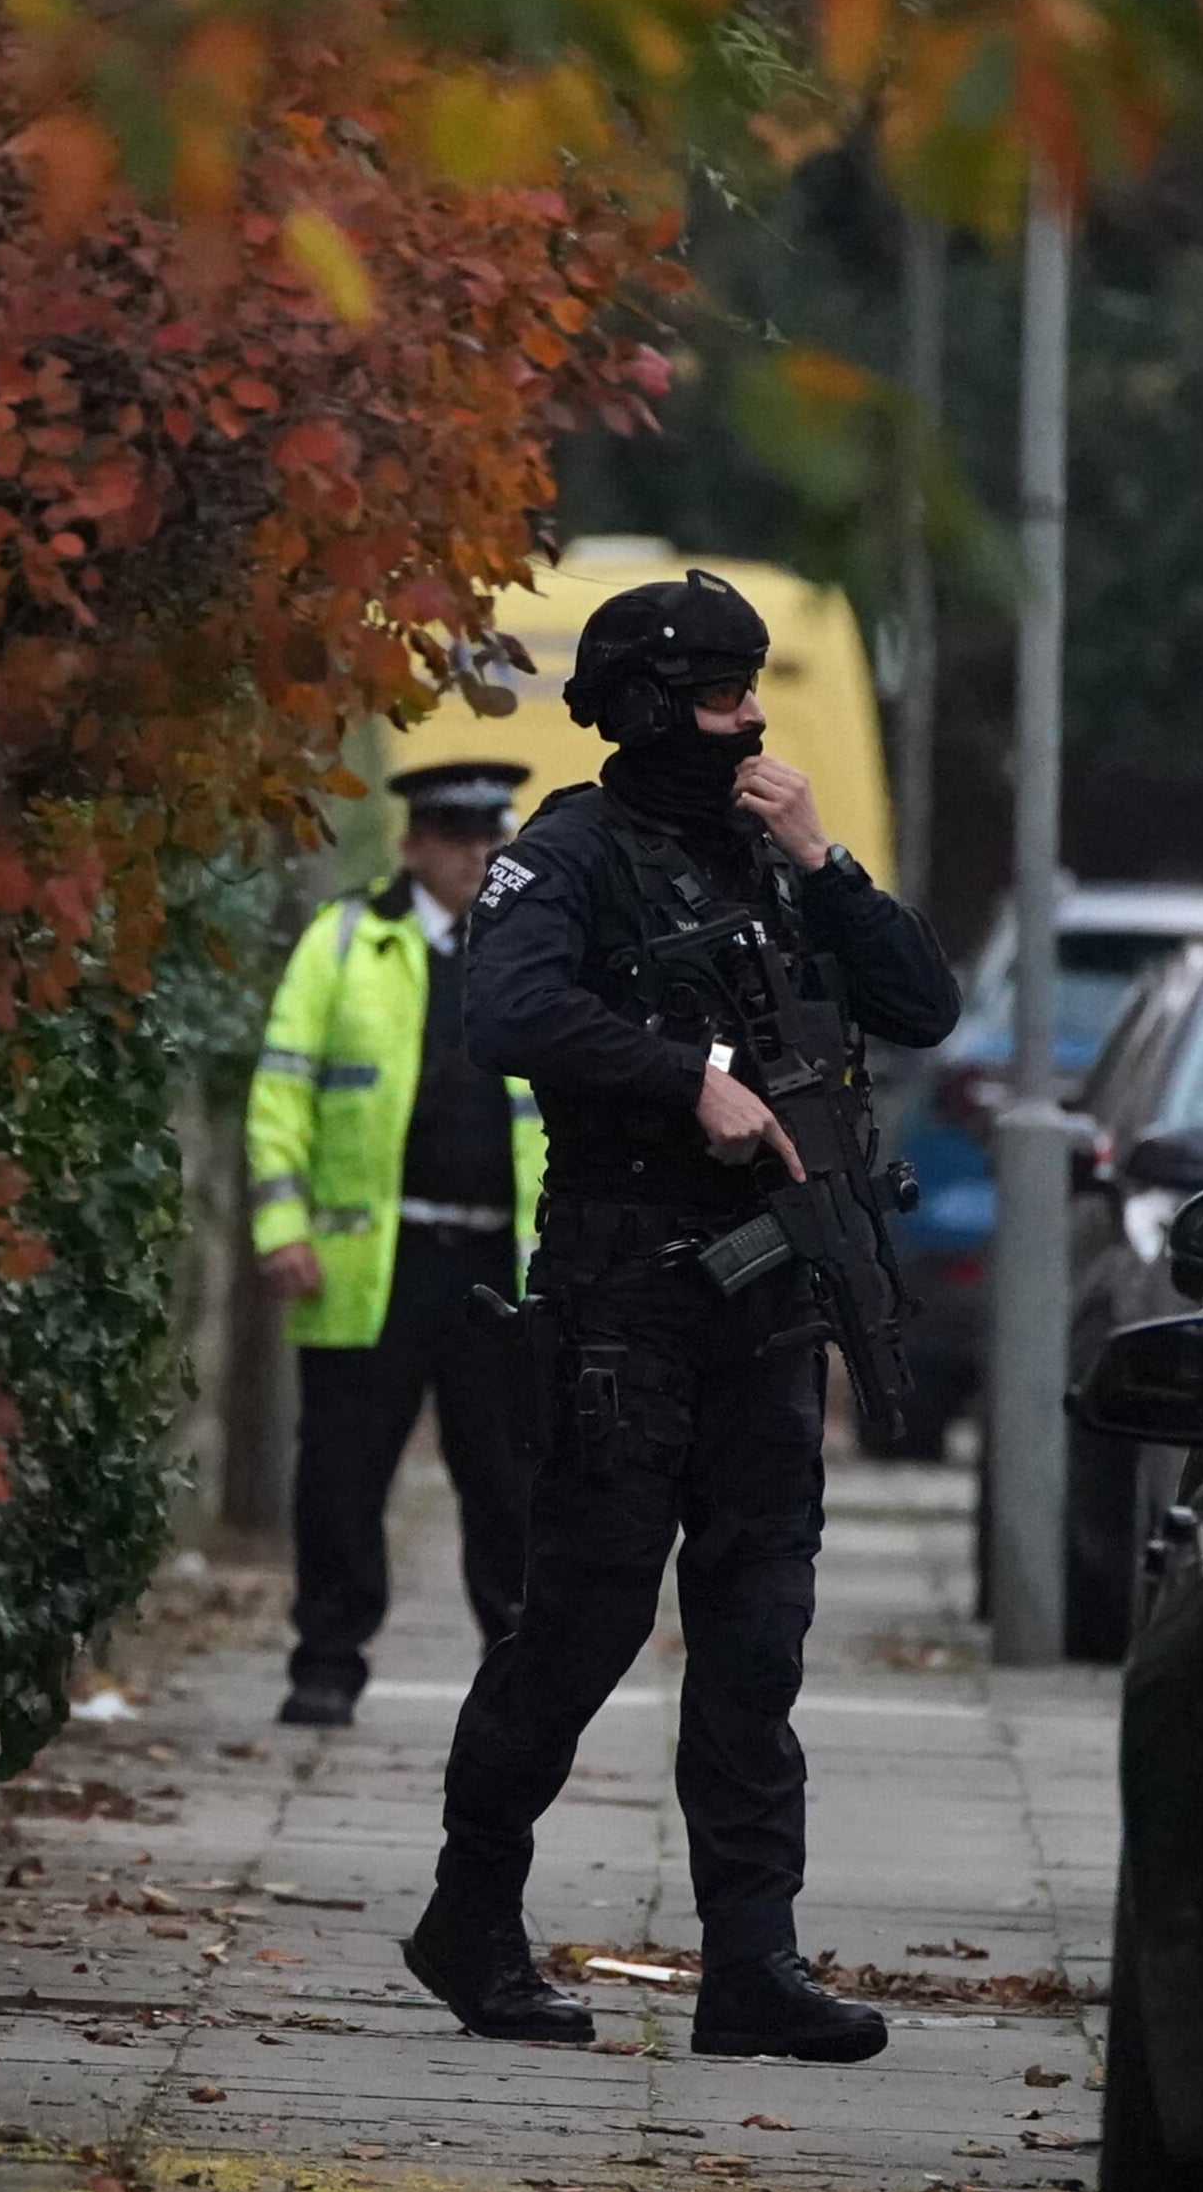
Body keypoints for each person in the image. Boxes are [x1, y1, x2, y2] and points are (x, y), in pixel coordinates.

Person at [402, 568, 960, 2061]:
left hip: (764, 1307)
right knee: (579, 1625)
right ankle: (471, 1912)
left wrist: (826, 860)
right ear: (649, 709)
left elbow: (923, 1006)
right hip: (622, 1300)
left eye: (753, 689)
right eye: (722, 696)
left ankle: (752, 1962)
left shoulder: (772, 855)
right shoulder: (566, 856)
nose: (751, 718)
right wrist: (681, 1081)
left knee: (757, 1636)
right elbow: (506, 1013)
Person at [245, 760, 547, 1730]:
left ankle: (520, 1672)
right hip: (373, 1259)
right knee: (342, 1474)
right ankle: (326, 1664)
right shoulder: (344, 941)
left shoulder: (539, 947)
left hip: (500, 1267)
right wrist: (281, 1227)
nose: (476, 855)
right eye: (456, 836)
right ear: (412, 844)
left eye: (491, 836)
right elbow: (282, 1088)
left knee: (508, 1480)